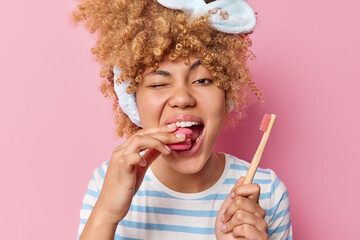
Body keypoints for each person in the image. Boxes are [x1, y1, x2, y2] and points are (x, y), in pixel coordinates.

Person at [72, 0, 292, 239]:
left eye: (202, 80)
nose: (182, 98)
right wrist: (106, 215)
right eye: (158, 83)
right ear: (132, 100)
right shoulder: (108, 183)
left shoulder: (266, 193)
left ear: (226, 91)